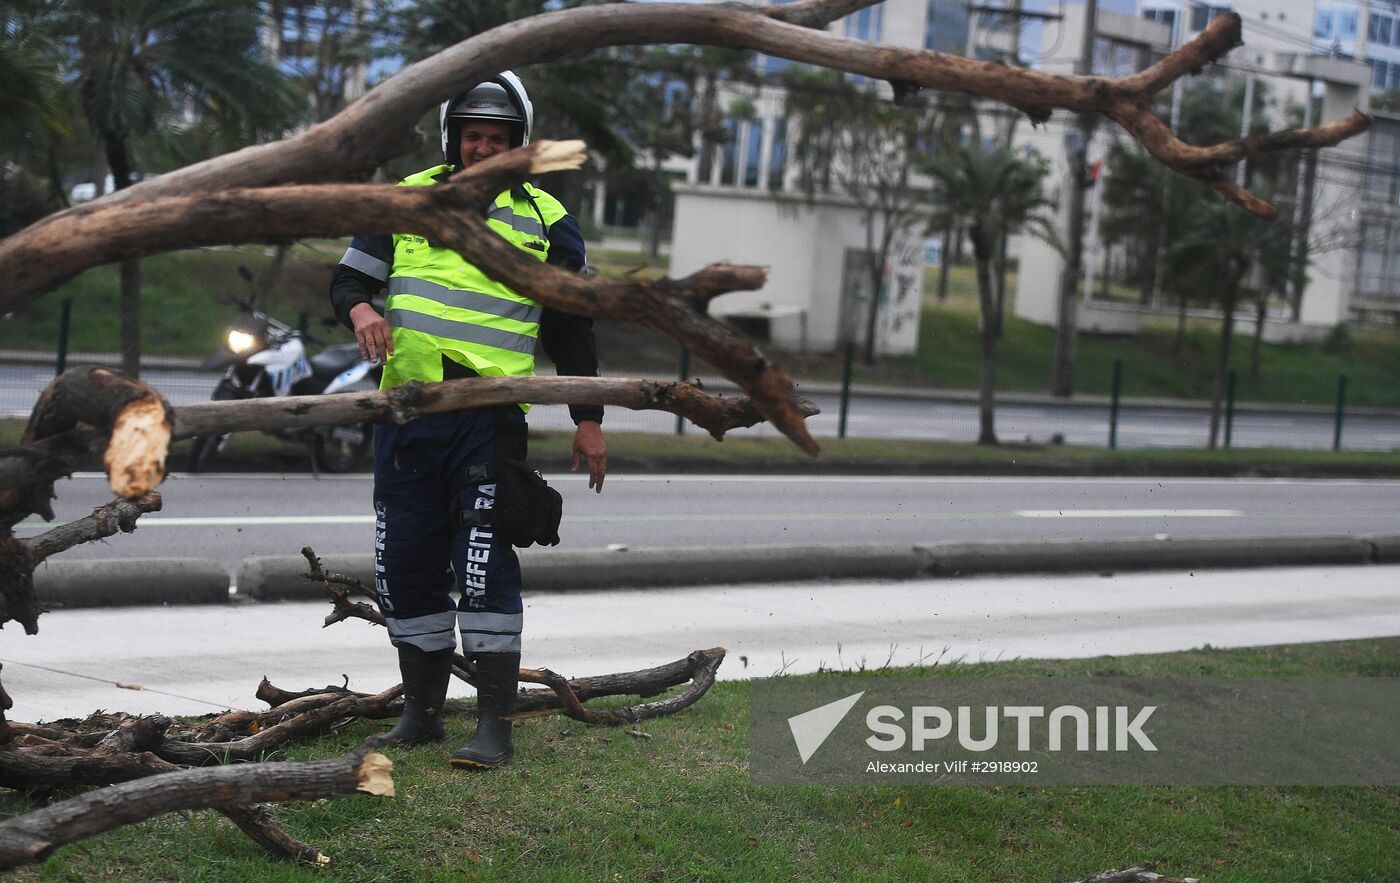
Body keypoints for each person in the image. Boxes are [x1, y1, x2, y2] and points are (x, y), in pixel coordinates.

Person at [329, 71, 606, 769]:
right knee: (405, 567)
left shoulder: (548, 219)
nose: (484, 148)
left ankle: (493, 726)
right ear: (455, 138)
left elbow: (571, 328)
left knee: (482, 569)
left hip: (488, 419)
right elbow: (350, 278)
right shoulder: (408, 200)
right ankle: (420, 714)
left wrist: (588, 417)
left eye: (499, 138)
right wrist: (362, 309)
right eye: (474, 135)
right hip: (406, 416)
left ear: (519, 145)